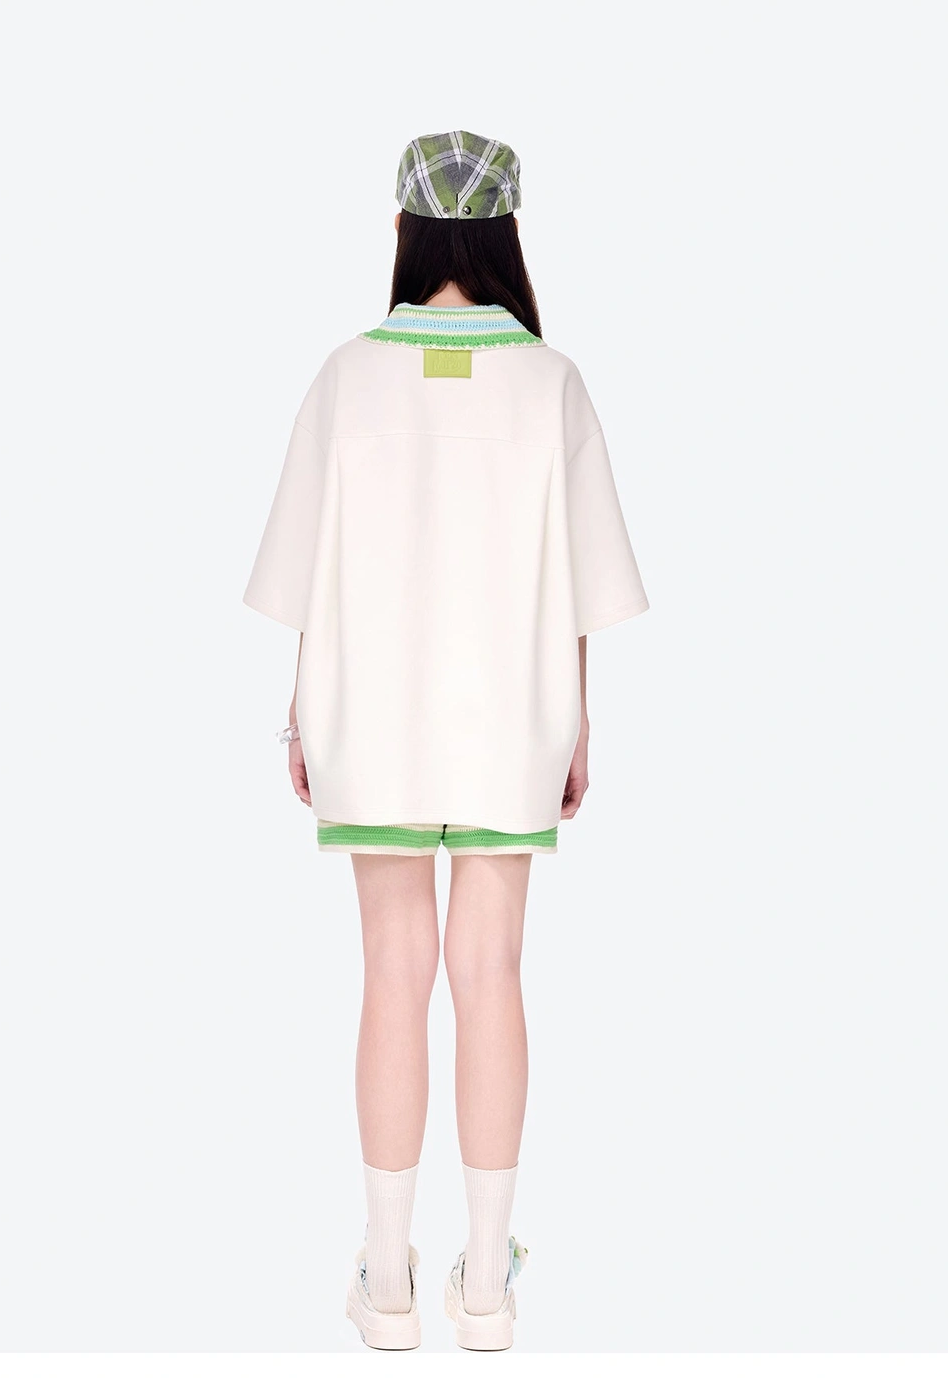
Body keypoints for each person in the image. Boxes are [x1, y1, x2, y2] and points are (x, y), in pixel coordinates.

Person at [243, 130, 647, 1350]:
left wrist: (302, 711)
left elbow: (303, 572)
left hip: (372, 714)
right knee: (492, 974)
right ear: (508, 233)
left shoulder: (345, 377)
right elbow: (583, 587)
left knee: (391, 972)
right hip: (512, 716)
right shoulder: (553, 382)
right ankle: (483, 1284)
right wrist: (578, 723)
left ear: (403, 231)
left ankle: (385, 1281)